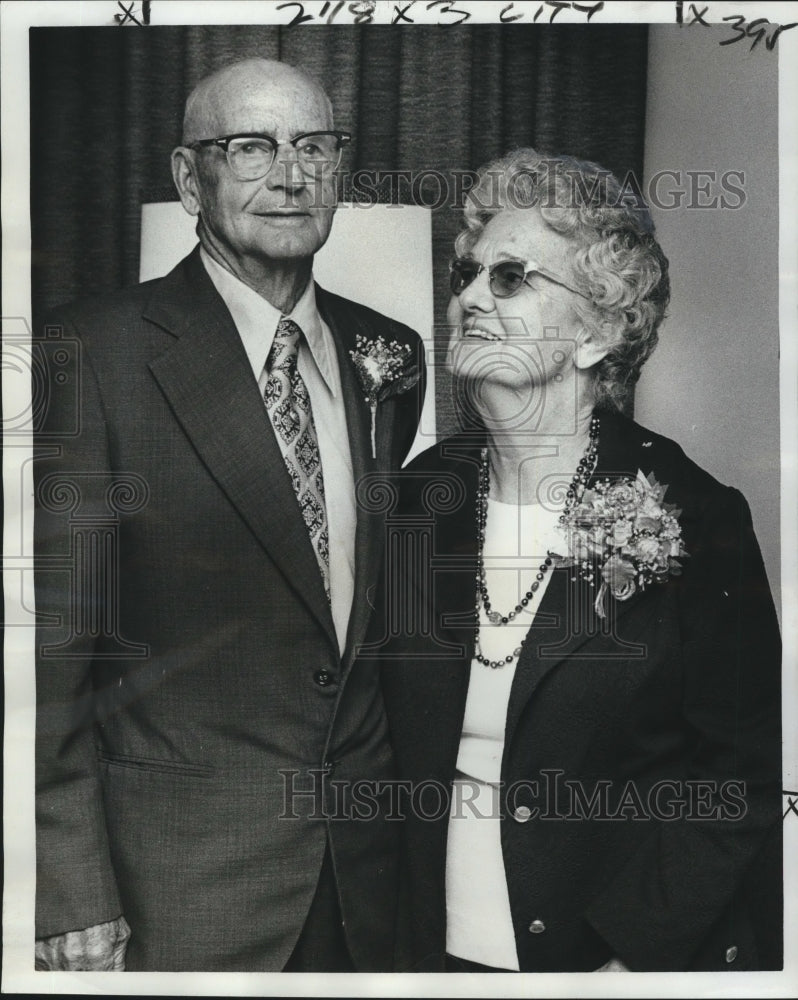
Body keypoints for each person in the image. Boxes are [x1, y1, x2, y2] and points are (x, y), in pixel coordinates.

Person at [33, 58, 424, 972]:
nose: (289, 175)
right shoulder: (88, 354)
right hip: (176, 882)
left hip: (363, 881)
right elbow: (49, 655)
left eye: (314, 146)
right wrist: (69, 888)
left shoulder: (389, 355)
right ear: (187, 177)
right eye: (250, 146)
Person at [376, 149, 782, 972]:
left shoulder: (695, 516)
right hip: (423, 950)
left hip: (602, 958)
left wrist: (630, 958)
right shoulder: (419, 498)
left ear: (597, 332)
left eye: (511, 277)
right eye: (467, 275)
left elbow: (735, 777)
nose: (468, 299)